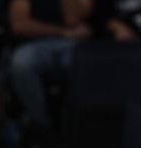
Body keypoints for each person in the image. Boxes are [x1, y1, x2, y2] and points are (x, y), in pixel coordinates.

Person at [7, 0, 94, 129]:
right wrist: (63, 32)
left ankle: (79, 124)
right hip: (34, 43)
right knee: (22, 62)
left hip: (71, 45)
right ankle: (39, 124)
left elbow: (72, 19)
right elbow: (20, 25)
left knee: (86, 63)